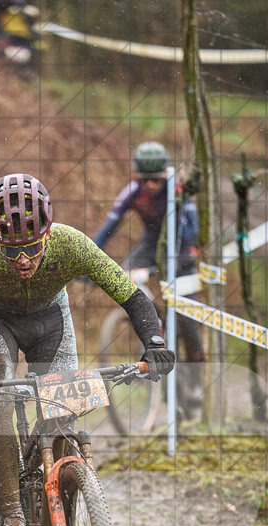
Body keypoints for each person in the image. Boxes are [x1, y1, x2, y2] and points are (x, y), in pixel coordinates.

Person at [0, 172, 174, 526]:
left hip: (50, 320)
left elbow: (132, 297)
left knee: (64, 414)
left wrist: (154, 343)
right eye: (10, 250)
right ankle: (12, 518)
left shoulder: (72, 244)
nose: (22, 260)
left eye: (33, 247)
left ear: (48, 234)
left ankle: (61, 522)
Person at [93, 141, 205, 415]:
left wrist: (187, 256)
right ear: (136, 177)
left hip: (180, 248)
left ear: (165, 176)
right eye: (145, 179)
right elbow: (108, 227)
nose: (151, 185)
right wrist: (90, 261)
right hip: (150, 245)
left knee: (188, 320)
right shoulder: (132, 192)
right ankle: (152, 324)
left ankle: (196, 381)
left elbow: (192, 229)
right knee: (126, 277)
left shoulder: (177, 190)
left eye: (156, 180)